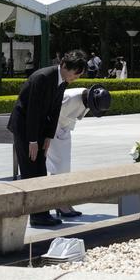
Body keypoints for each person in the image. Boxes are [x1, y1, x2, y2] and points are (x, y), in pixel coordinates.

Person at [7, 50, 87, 227]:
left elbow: (55, 109)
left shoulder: (62, 81)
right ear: (65, 66)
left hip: (39, 130)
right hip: (25, 129)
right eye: (75, 73)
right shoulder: (43, 77)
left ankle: (42, 212)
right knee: (30, 169)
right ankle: (36, 215)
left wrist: (49, 136)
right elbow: (33, 110)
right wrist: (33, 140)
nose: (76, 78)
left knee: (40, 170)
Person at [47, 84, 111, 219]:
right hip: (53, 130)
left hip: (64, 130)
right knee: (59, 168)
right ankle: (59, 203)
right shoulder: (71, 98)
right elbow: (51, 114)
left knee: (64, 168)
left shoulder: (87, 98)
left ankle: (63, 202)